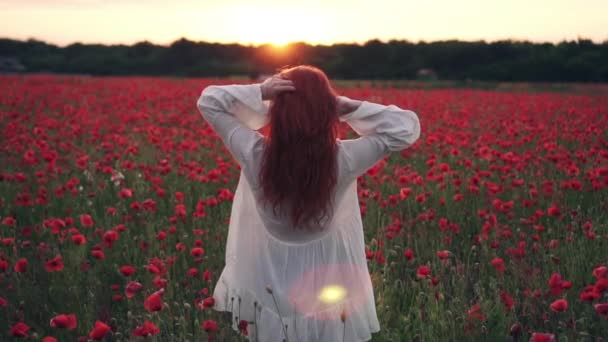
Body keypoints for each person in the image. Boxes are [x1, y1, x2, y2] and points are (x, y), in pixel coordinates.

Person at [196, 65, 421, 342]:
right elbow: (405, 128)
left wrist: (262, 91)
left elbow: (209, 101)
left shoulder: (255, 154)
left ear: (277, 111)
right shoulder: (345, 159)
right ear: (327, 109)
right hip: (325, 276)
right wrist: (346, 107)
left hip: (265, 275)